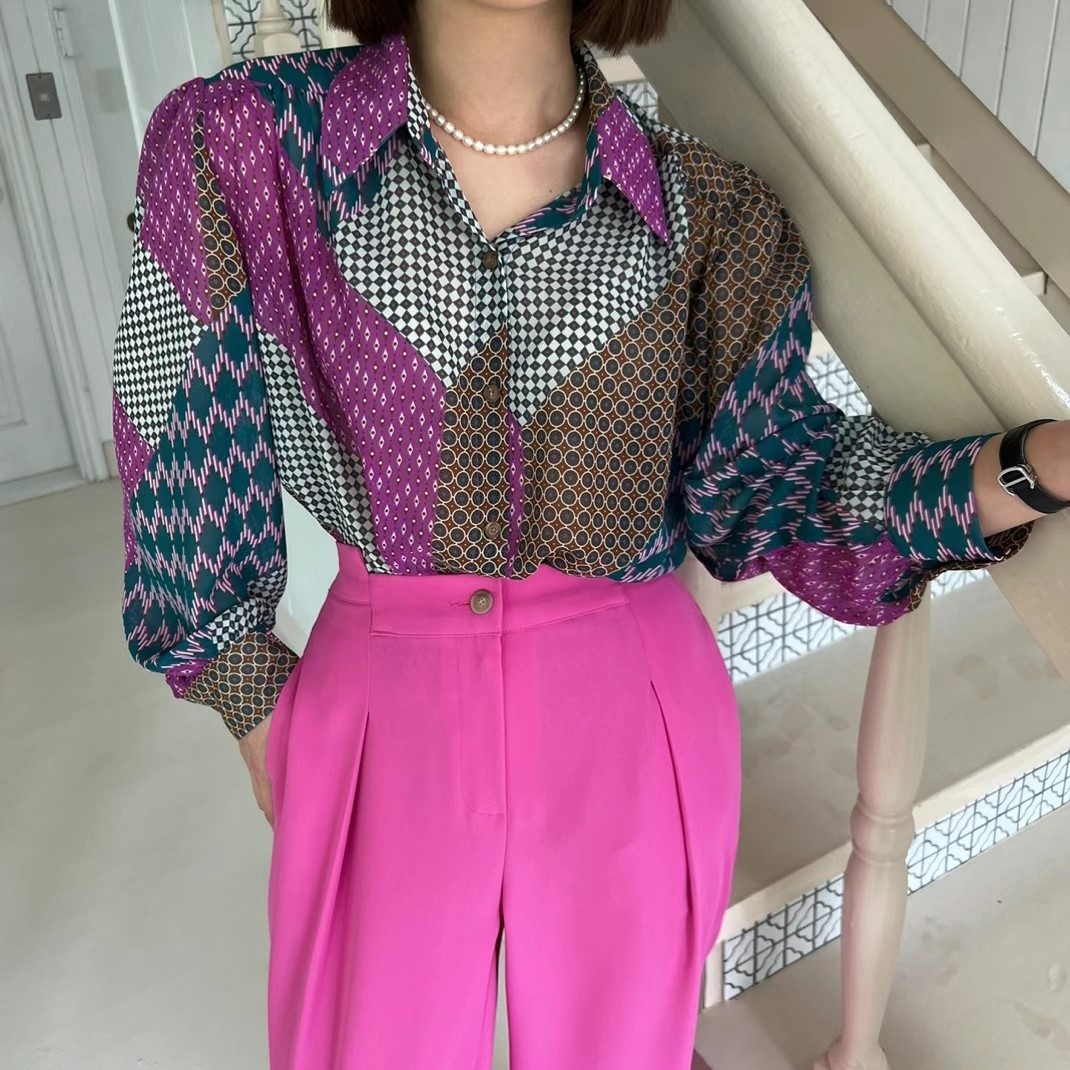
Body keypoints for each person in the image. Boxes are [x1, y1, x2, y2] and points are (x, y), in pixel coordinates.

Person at [110, 0, 1069, 1066]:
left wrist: (1032, 466)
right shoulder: (245, 145)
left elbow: (779, 486)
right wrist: (255, 706)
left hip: (633, 711)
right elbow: (175, 432)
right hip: (379, 704)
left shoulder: (708, 211)